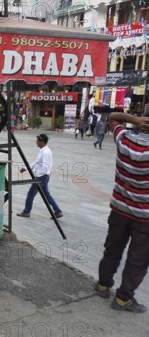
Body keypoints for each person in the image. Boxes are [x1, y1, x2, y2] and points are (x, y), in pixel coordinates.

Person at [95, 112, 149, 313]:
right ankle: (124, 298)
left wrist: (135, 120)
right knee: (139, 259)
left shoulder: (124, 139)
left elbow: (113, 117)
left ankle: (103, 284)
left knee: (112, 249)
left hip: (119, 209)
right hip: (144, 218)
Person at [17, 134, 63, 219]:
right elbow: (36, 163)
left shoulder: (45, 152)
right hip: (44, 177)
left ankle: (26, 211)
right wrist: (26, 168)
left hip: (42, 177)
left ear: (42, 142)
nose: (36, 142)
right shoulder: (43, 151)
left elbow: (44, 166)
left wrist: (38, 177)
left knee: (30, 195)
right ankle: (57, 211)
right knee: (46, 195)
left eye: (38, 141)